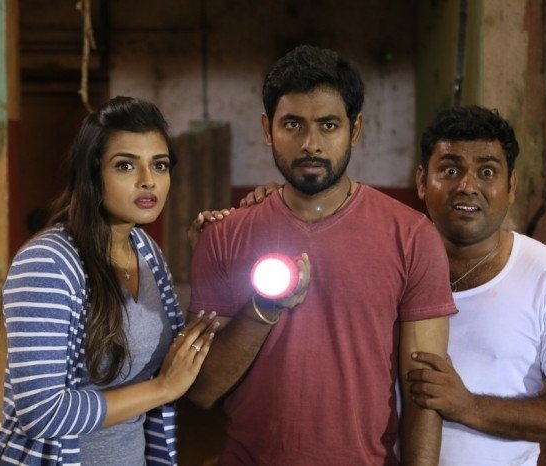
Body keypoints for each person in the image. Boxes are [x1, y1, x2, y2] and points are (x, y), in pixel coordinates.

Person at [185, 45, 457, 466]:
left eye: (328, 125)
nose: (310, 144)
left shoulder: (412, 236)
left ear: (355, 129)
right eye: (292, 124)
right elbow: (202, 390)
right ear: (267, 128)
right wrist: (263, 309)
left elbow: (423, 389)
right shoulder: (223, 235)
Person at [0, 96, 218, 465]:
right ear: (92, 174)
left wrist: (211, 261)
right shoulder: (46, 263)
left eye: (159, 165)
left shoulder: (146, 250)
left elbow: (180, 357)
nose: (148, 181)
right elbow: (41, 413)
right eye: (125, 165)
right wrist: (162, 389)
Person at [408, 105, 546, 465]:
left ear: (511, 186)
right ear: (422, 181)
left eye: (487, 172)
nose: (467, 186)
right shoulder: (390, 266)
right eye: (450, 170)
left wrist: (468, 406)